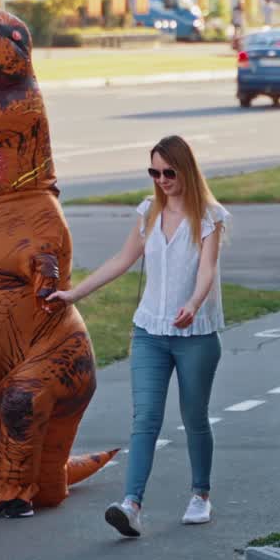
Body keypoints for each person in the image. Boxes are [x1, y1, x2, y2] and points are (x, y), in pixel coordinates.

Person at [47, 136, 229, 538]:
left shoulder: (210, 217)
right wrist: (74, 293)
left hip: (195, 335)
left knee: (194, 417)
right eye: (154, 172)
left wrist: (194, 305)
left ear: (186, 170)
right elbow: (122, 259)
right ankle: (131, 505)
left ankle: (200, 495)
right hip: (150, 331)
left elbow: (207, 270)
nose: (161, 180)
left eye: (168, 172)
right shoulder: (149, 213)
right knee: (145, 418)